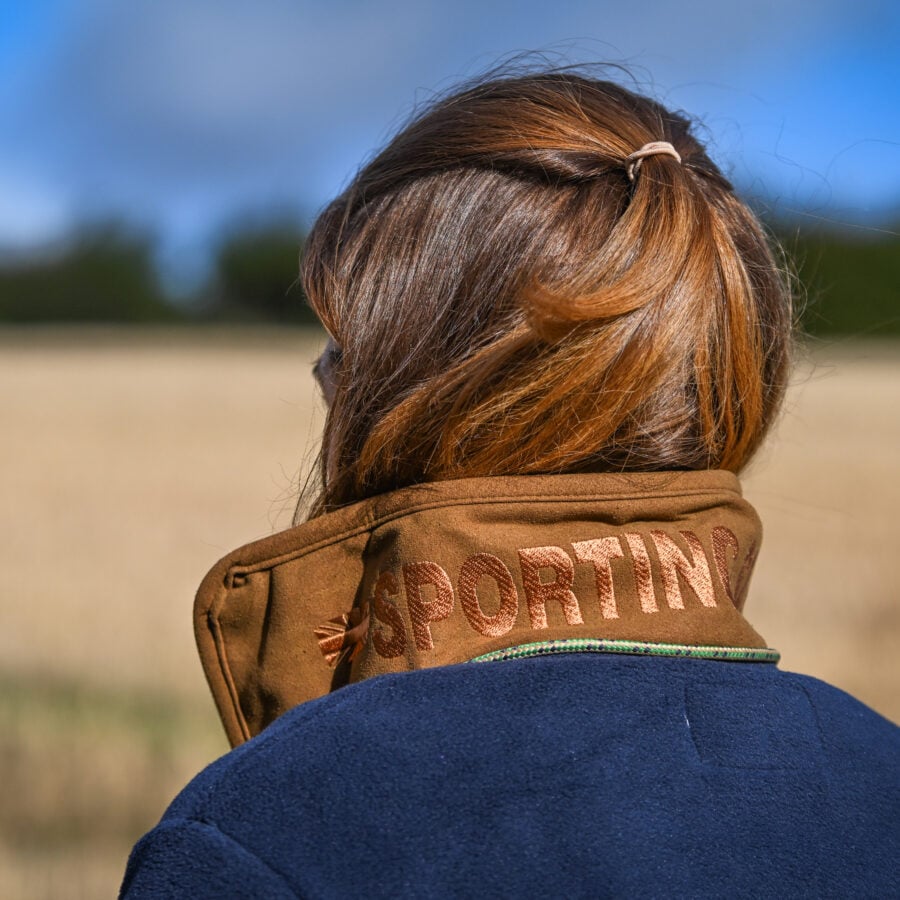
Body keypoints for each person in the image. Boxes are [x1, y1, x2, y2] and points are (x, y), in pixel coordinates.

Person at [120, 69, 899, 898]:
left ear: (406, 396)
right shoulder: (881, 779)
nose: (323, 381)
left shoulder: (265, 831)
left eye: (341, 359)